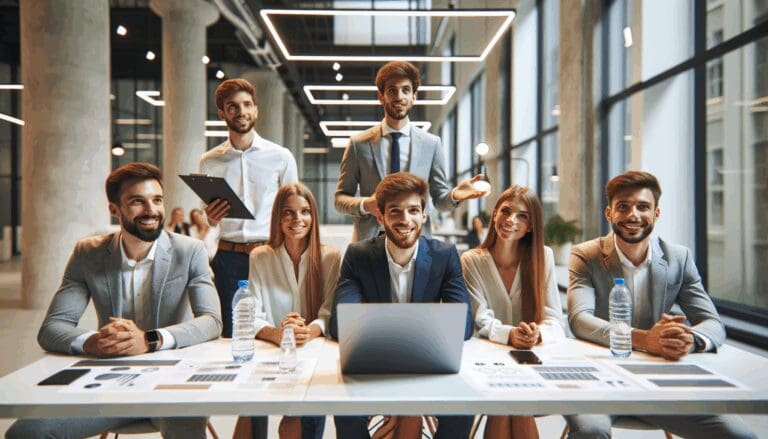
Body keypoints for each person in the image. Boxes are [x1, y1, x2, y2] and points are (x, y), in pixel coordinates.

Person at [6, 163, 222, 439]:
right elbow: (52, 328)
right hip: (110, 383)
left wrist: (149, 340)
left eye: (157, 200)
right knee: (25, 434)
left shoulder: (190, 251)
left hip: (171, 382)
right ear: (114, 209)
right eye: (137, 201)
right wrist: (94, 342)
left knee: (187, 432)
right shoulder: (88, 252)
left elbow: (212, 321)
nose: (151, 210)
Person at [565, 171, 755, 439]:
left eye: (643, 207)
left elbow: (713, 323)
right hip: (598, 380)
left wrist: (689, 339)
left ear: (656, 214)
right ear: (609, 213)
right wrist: (645, 339)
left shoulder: (679, 257)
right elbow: (579, 320)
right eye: (623, 207)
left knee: (741, 436)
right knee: (591, 432)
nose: (633, 215)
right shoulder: (586, 255)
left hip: (659, 383)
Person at [330, 172, 474, 439]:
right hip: (373, 367)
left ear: (424, 216)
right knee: (346, 411)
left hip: (429, 367)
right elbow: (339, 324)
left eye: (413, 211)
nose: (405, 220)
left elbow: (464, 325)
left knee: (462, 409)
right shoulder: (358, 255)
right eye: (395, 211)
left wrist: (377, 324)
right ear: (380, 217)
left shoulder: (445, 256)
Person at [200, 78, 298, 439]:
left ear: (255, 109)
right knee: (239, 344)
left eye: (246, 104)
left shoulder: (281, 156)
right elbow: (210, 217)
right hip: (228, 259)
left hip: (269, 255)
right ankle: (252, 418)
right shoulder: (209, 161)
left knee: (275, 334)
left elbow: (294, 207)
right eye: (232, 106)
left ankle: (289, 411)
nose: (240, 112)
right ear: (222, 113)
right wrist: (209, 219)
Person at [335, 60, 489, 242]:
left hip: (416, 241)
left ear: (414, 96)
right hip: (370, 242)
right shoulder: (358, 144)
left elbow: (440, 200)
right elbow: (340, 199)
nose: (399, 96)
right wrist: (367, 204)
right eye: (392, 90)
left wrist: (456, 194)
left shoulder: (432, 144)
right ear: (381, 96)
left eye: (406, 90)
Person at [232, 183, 340, 439]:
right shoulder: (260, 256)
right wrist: (278, 333)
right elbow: (252, 315)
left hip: (312, 355)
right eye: (288, 212)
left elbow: (329, 313)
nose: (297, 219)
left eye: (304, 211)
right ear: (278, 218)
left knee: (294, 424)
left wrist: (307, 331)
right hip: (270, 354)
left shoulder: (330, 257)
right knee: (248, 414)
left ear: (313, 216)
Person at [461, 186, 565, 439]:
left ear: (531, 226)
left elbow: (555, 320)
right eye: (506, 211)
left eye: (522, 216)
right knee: (510, 397)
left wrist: (536, 334)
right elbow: (478, 318)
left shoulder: (543, 257)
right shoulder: (471, 260)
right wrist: (510, 334)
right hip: (485, 363)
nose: (511, 220)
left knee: (512, 397)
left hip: (532, 363)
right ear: (494, 214)